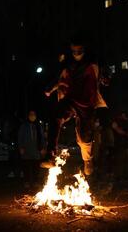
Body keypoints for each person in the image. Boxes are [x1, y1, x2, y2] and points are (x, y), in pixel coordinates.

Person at [41, 33, 106, 176]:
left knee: (83, 138)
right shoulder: (68, 63)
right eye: (74, 51)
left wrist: (104, 78)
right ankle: (50, 154)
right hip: (70, 99)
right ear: (71, 50)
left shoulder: (92, 61)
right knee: (56, 116)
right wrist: (50, 88)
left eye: (80, 51)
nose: (77, 54)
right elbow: (60, 77)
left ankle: (87, 159)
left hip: (86, 104)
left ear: (84, 49)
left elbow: (100, 74)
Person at [18, 110, 45, 188]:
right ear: (28, 116)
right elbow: (20, 137)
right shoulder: (24, 126)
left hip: (36, 150)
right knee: (26, 167)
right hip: (26, 149)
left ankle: (35, 182)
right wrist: (21, 147)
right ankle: (26, 182)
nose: (32, 116)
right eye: (31, 114)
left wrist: (43, 147)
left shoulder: (38, 126)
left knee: (36, 168)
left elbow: (42, 137)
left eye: (33, 114)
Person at [112, 111, 128, 182]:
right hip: (119, 145)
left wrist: (125, 133)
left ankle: (124, 176)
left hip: (125, 145)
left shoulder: (126, 123)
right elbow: (118, 131)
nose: (124, 117)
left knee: (125, 161)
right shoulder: (116, 122)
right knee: (120, 161)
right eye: (122, 115)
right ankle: (119, 176)